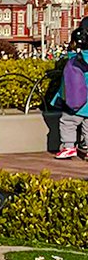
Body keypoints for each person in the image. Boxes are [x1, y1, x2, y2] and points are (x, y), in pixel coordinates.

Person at [50, 19, 88, 158]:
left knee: (68, 123)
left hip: (76, 103)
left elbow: (70, 83)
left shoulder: (75, 60)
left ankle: (68, 146)